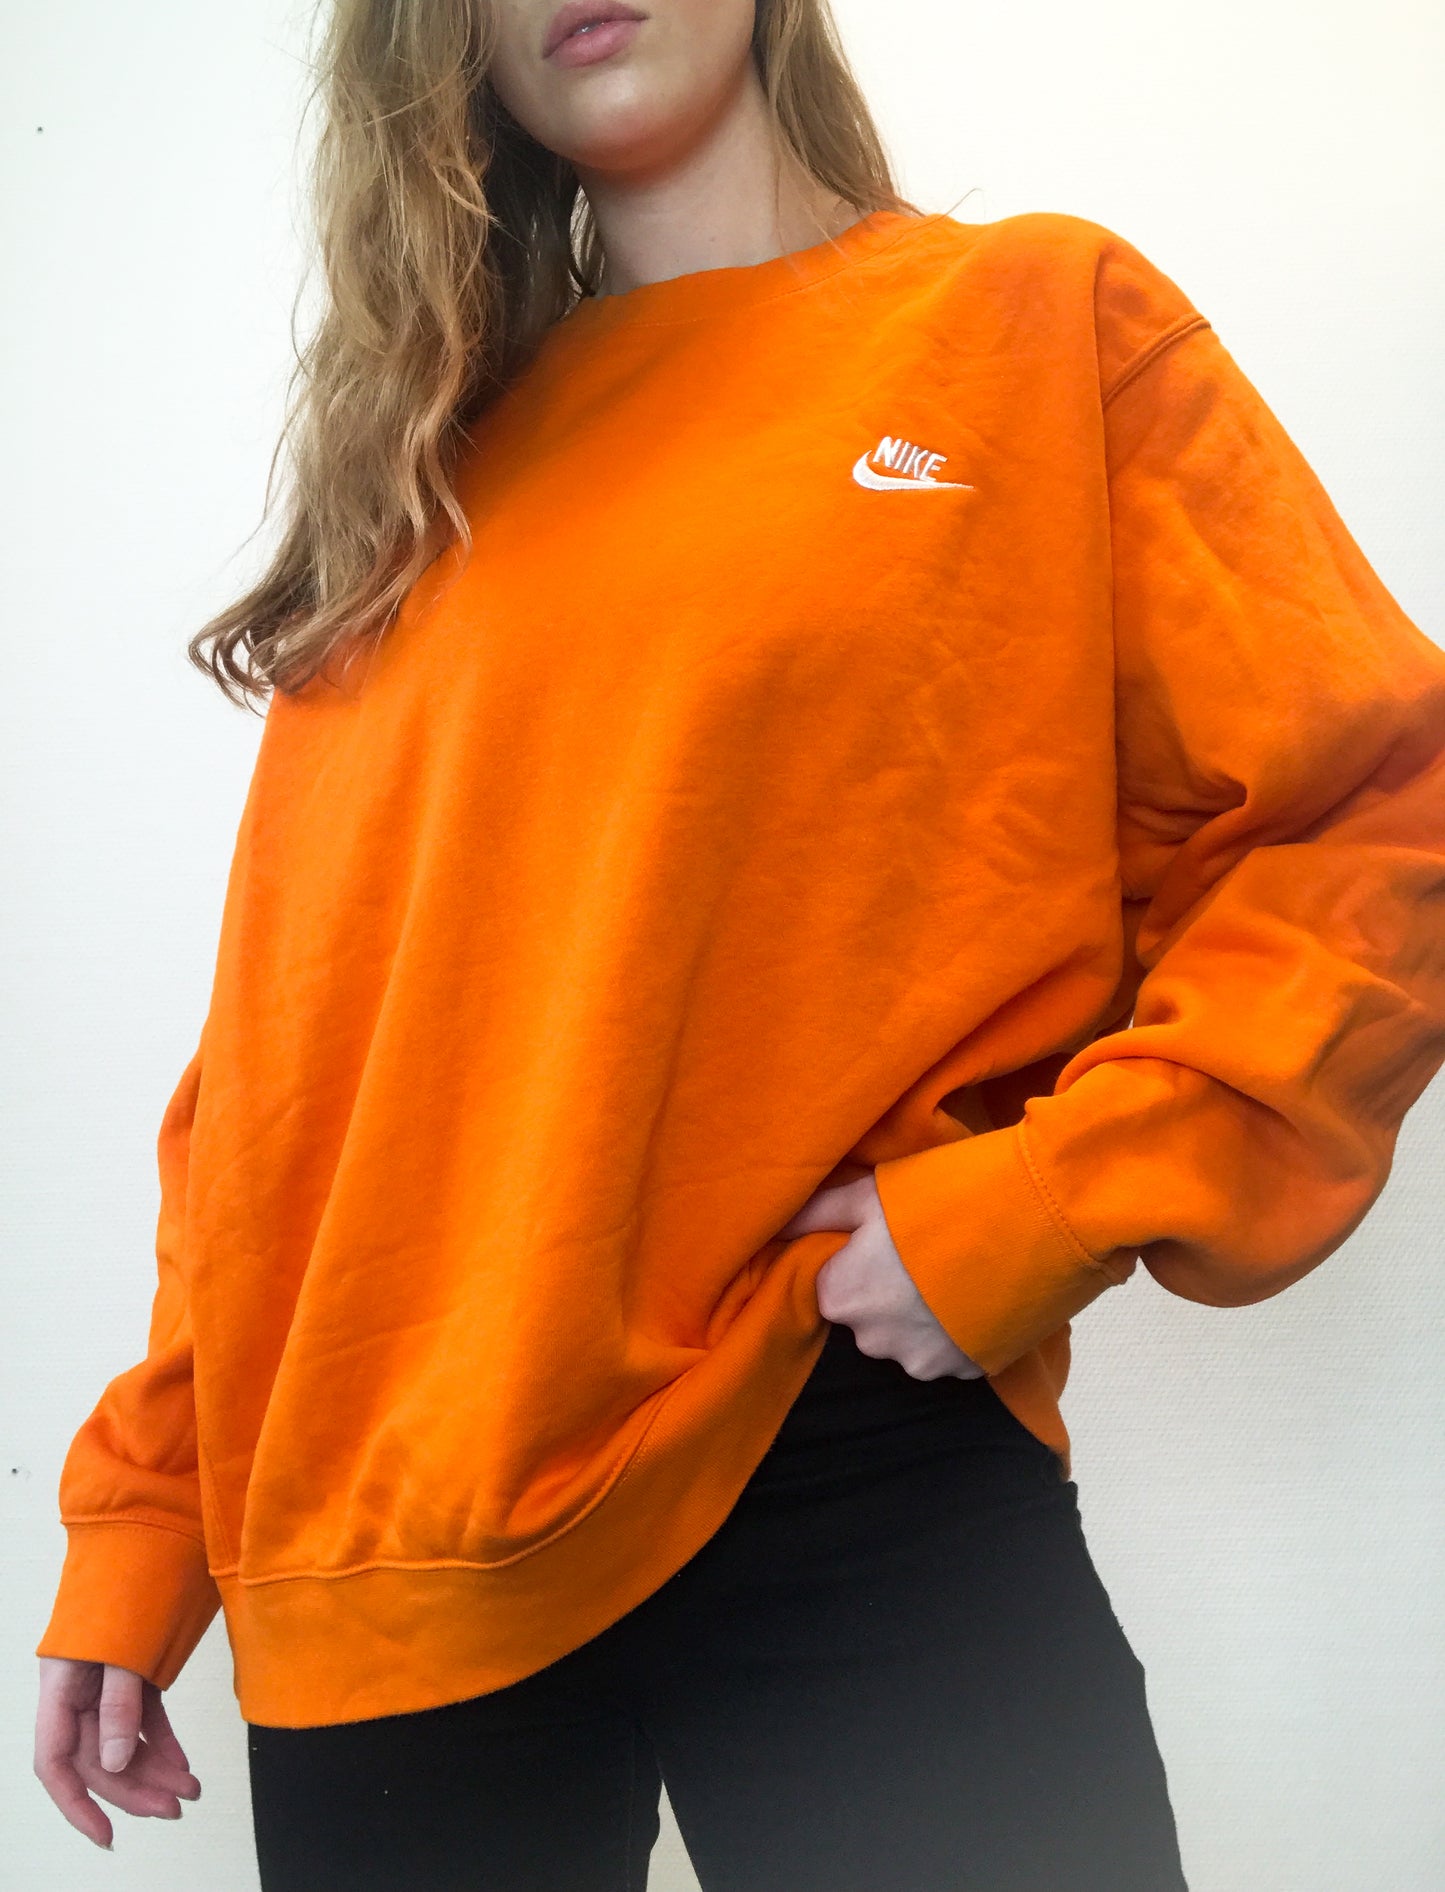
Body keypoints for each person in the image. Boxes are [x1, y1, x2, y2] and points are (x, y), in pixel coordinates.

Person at [31, 1, 1445, 1887]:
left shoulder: (1031, 325)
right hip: (378, 1545)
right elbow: (296, 1064)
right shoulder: (418, 477)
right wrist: (145, 1511)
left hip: (837, 1441)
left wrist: (1052, 1194)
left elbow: (1378, 807)